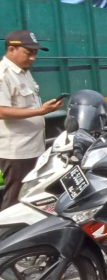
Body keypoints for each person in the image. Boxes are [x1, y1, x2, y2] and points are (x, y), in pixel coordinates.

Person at [0, 30, 63, 210]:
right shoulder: (4, 74)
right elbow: (1, 111)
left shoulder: (23, 72)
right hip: (17, 152)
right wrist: (40, 111)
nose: (33, 58)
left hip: (33, 148)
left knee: (30, 197)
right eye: (29, 53)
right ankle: (8, 236)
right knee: (15, 201)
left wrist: (43, 109)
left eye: (35, 53)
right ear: (12, 49)